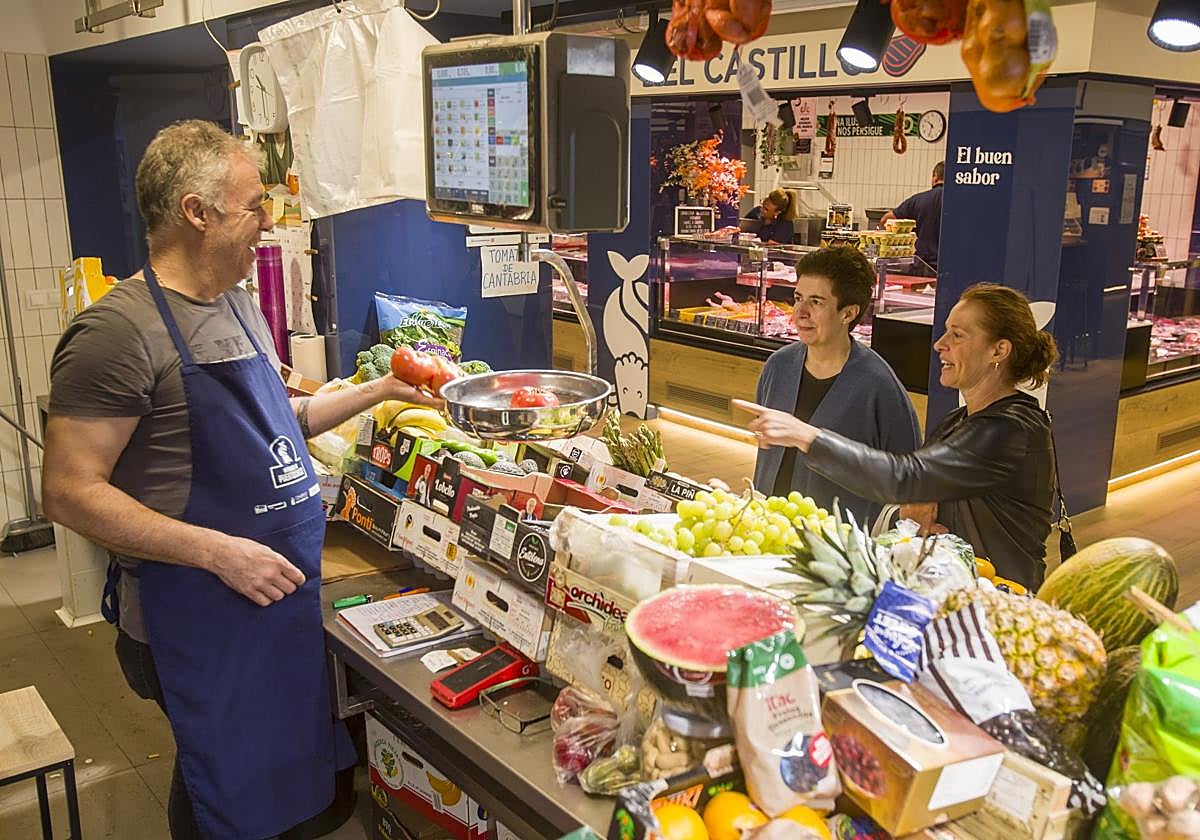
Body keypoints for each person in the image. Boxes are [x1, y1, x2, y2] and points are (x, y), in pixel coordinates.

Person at [42, 120, 439, 840]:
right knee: (217, 784)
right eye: (254, 205)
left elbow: (280, 423)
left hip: (273, 600)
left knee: (264, 789)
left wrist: (379, 390)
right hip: (192, 611)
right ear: (196, 212)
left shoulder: (238, 303)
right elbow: (68, 491)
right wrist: (217, 551)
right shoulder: (116, 333)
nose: (268, 222)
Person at [737, 284, 1057, 589]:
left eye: (957, 335)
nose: (939, 343)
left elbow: (904, 478)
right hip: (953, 589)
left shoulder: (1010, 430)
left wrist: (806, 435)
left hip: (998, 600)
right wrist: (908, 511)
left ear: (998, 350)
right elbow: (913, 493)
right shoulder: (960, 420)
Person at [750, 247, 921, 523]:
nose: (800, 312)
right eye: (798, 298)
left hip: (838, 548)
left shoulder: (879, 387)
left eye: (816, 302)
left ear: (848, 313)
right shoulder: (778, 367)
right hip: (768, 532)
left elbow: (907, 477)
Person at [882, 161, 944, 270]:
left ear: (935, 177)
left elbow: (886, 220)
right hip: (948, 265)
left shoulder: (918, 200)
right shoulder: (958, 202)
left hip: (921, 265)